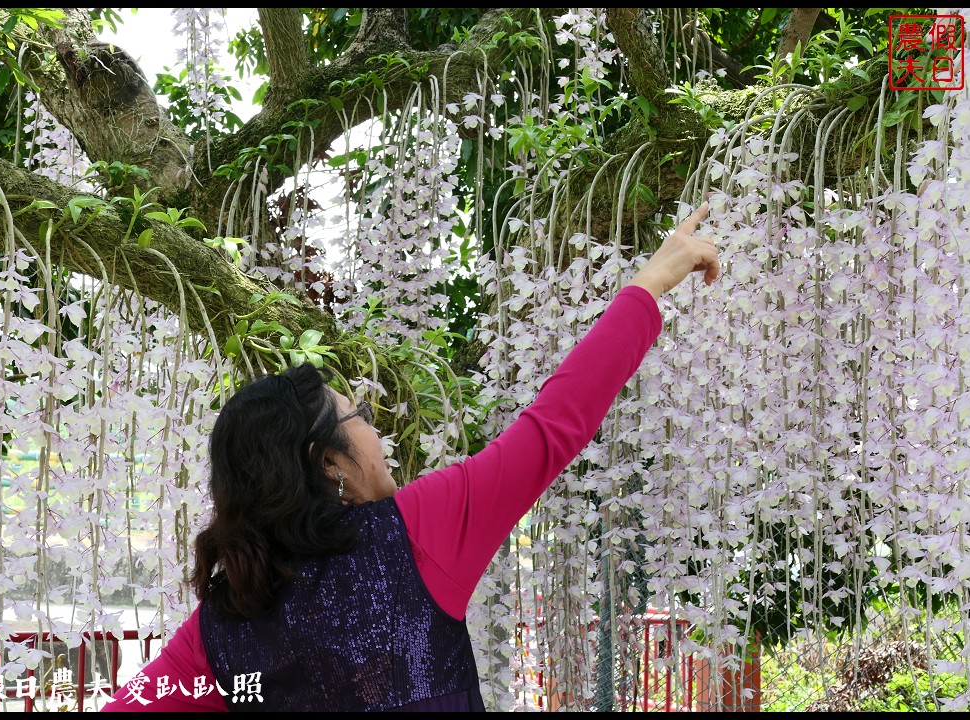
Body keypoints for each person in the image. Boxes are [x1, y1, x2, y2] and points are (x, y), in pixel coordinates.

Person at [101, 204, 720, 712]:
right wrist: (647, 286)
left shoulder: (225, 622)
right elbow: (556, 424)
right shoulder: (419, 531)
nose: (377, 433)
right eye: (359, 419)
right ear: (329, 463)